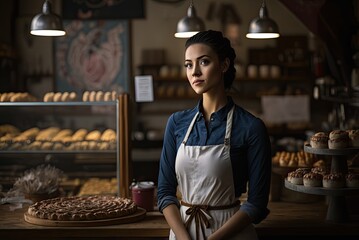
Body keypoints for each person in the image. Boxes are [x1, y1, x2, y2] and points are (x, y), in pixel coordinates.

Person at [157, 30, 272, 240]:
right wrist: (183, 238)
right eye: (189, 65)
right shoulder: (176, 123)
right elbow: (165, 194)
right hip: (184, 233)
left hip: (232, 234)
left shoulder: (251, 128)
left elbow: (256, 204)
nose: (195, 72)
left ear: (224, 65)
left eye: (204, 62)